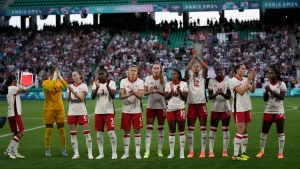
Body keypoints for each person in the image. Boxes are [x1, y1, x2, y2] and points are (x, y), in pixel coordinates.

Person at [256, 68, 286, 159]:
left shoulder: (281, 84)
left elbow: (282, 97)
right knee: (264, 132)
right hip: (268, 110)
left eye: (272, 73)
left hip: (279, 110)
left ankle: (280, 152)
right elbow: (265, 99)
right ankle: (261, 151)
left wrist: (271, 91)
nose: (270, 75)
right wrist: (267, 91)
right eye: (269, 73)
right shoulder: (266, 84)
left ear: (276, 74)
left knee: (280, 131)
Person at [229, 64, 256, 161]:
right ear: (237, 70)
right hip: (238, 109)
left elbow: (252, 90)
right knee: (240, 131)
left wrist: (253, 80)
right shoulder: (232, 81)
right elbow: (240, 91)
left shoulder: (245, 79)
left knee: (245, 131)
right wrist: (248, 80)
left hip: (247, 108)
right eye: (242, 69)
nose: (244, 70)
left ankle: (243, 152)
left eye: (245, 69)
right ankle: (235, 155)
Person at [184, 51, 208, 158]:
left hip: (202, 105)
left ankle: (203, 151)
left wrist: (198, 59)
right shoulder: (189, 77)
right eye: (195, 67)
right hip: (192, 105)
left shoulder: (203, 77)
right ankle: (191, 151)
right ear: (192, 68)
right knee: (190, 130)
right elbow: (186, 70)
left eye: (198, 67)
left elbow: (206, 68)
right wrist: (193, 60)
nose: (197, 68)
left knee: (203, 128)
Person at [91, 68, 117, 160]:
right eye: (100, 74)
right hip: (98, 112)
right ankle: (101, 153)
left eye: (103, 74)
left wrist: (108, 86)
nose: (101, 75)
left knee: (111, 132)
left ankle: (114, 152)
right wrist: (97, 86)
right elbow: (92, 96)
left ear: (106, 74)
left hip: (109, 111)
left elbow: (113, 96)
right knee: (99, 134)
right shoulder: (95, 83)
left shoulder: (112, 83)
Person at [66, 70, 93, 159]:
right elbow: (67, 99)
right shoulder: (70, 86)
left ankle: (90, 153)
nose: (73, 77)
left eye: (75, 75)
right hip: (72, 112)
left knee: (86, 133)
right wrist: (70, 91)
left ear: (80, 76)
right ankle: (76, 153)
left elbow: (82, 99)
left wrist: (73, 91)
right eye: (72, 75)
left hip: (82, 111)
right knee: (73, 134)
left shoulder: (84, 86)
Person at [119, 65, 144, 159]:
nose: (133, 72)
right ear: (128, 72)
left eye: (134, 70)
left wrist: (135, 93)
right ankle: (126, 153)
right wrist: (130, 93)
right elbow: (121, 96)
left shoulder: (140, 82)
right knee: (126, 131)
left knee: (137, 131)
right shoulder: (123, 81)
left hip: (137, 110)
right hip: (125, 110)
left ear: (137, 72)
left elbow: (141, 97)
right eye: (131, 70)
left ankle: (137, 152)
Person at [42, 67, 68, 157]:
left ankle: (64, 150)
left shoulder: (59, 81)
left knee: (61, 129)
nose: (56, 76)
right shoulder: (45, 82)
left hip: (59, 108)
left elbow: (67, 87)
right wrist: (53, 79)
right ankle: (47, 150)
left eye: (58, 74)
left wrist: (61, 78)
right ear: (51, 74)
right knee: (48, 130)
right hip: (49, 109)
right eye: (55, 74)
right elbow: (49, 88)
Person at [143, 63, 167, 158]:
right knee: (149, 129)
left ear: (160, 70)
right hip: (151, 107)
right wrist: (150, 92)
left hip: (161, 107)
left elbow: (166, 93)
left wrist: (157, 91)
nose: (156, 70)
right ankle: (147, 151)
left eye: (158, 68)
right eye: (154, 68)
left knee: (161, 129)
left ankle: (159, 150)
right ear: (152, 69)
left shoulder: (164, 79)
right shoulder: (148, 79)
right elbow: (144, 93)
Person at [208, 65, 231, 158]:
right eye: (217, 69)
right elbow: (210, 97)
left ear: (223, 70)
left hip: (226, 108)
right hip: (215, 108)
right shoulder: (211, 81)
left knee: (225, 130)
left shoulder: (228, 81)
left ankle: (225, 151)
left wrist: (221, 93)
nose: (219, 71)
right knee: (213, 130)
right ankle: (210, 151)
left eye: (220, 69)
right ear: (214, 71)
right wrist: (216, 94)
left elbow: (228, 96)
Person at [165, 69, 188, 159]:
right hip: (170, 109)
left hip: (180, 109)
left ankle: (182, 153)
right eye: (172, 74)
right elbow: (165, 97)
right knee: (172, 131)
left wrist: (179, 90)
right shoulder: (168, 84)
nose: (172, 75)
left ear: (178, 75)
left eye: (174, 74)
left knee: (181, 131)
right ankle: (171, 153)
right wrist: (171, 91)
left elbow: (185, 98)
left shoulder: (184, 84)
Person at [4, 75, 28, 159]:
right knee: (21, 133)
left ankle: (15, 152)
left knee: (16, 133)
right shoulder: (12, 88)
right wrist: (23, 85)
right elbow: (26, 90)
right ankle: (8, 150)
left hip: (12, 113)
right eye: (16, 80)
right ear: (14, 80)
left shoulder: (9, 88)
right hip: (15, 113)